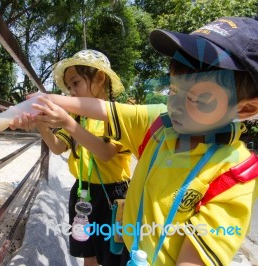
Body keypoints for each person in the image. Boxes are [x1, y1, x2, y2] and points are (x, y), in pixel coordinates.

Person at [27, 17, 258, 265]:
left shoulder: (234, 176)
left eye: (199, 100)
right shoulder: (159, 125)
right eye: (173, 90)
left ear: (244, 109)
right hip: (124, 239)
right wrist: (41, 102)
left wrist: (64, 120)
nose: (175, 106)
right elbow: (100, 109)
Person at [10, 50, 142, 266]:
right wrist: (41, 123)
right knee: (87, 252)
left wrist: (66, 123)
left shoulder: (118, 116)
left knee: (114, 255)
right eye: (69, 88)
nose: (71, 92)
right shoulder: (77, 117)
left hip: (114, 197)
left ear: (100, 78)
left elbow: (105, 153)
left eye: (76, 83)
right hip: (82, 193)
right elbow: (56, 147)